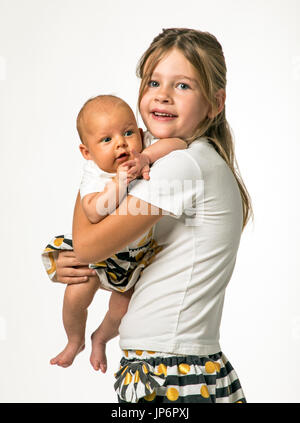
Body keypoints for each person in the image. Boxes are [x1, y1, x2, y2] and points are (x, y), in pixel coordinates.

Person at [51, 28, 253, 403]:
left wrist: (97, 176)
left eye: (183, 86)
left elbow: (91, 244)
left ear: (215, 103)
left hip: (170, 372)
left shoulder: (182, 168)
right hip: (176, 364)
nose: (162, 94)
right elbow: (136, 261)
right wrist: (87, 267)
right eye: (154, 82)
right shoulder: (187, 161)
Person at [42, 94, 187, 369]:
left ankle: (101, 338)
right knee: (76, 295)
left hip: (135, 257)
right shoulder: (94, 174)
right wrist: (119, 184)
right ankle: (75, 339)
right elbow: (94, 210)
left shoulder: (143, 152)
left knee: (121, 310)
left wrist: (146, 156)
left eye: (128, 132)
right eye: (106, 140)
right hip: (100, 257)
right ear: (87, 152)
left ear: (141, 135)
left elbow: (178, 143)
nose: (121, 142)